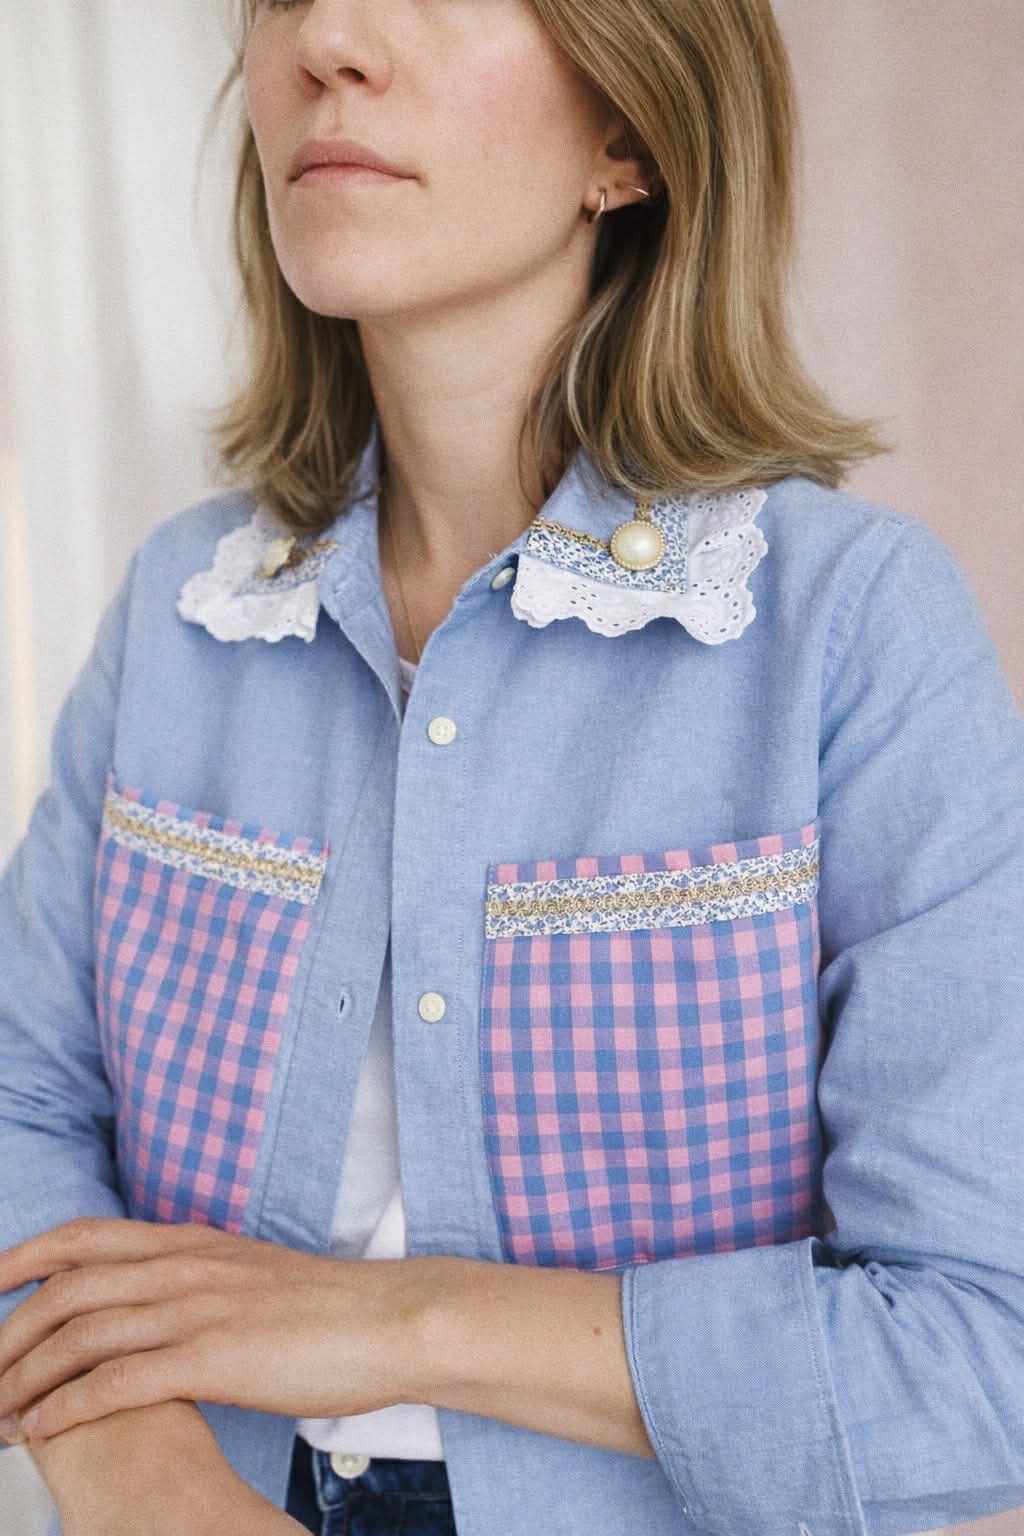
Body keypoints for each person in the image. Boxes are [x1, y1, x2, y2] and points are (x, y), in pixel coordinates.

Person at [0, 0, 1022, 1533]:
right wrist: (139, 1472)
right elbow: (16, 1107)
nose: (328, 42)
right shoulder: (183, 610)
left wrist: (390, 1321)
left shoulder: (851, 626)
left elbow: (984, 1355)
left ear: (630, 130)